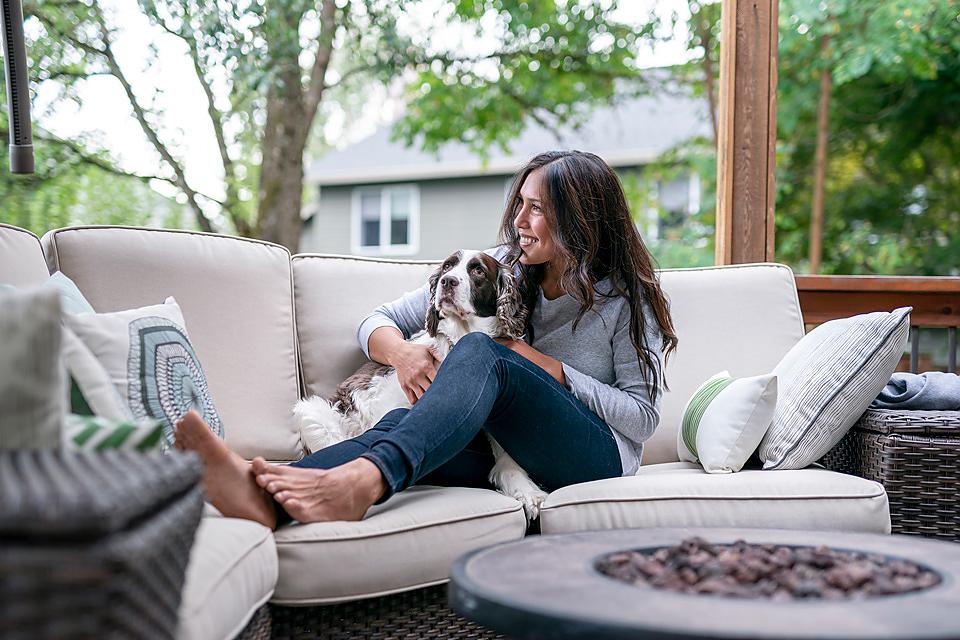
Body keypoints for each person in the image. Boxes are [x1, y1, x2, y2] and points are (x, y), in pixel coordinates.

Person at [174, 150, 678, 529]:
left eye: (538, 210)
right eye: (520, 204)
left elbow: (642, 417)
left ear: (580, 219)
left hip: (594, 456)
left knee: (481, 349)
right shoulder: (503, 267)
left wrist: (550, 368)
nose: (520, 222)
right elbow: (377, 321)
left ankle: (367, 482)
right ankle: (262, 498)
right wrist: (403, 353)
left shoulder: (625, 299)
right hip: (511, 450)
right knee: (401, 420)